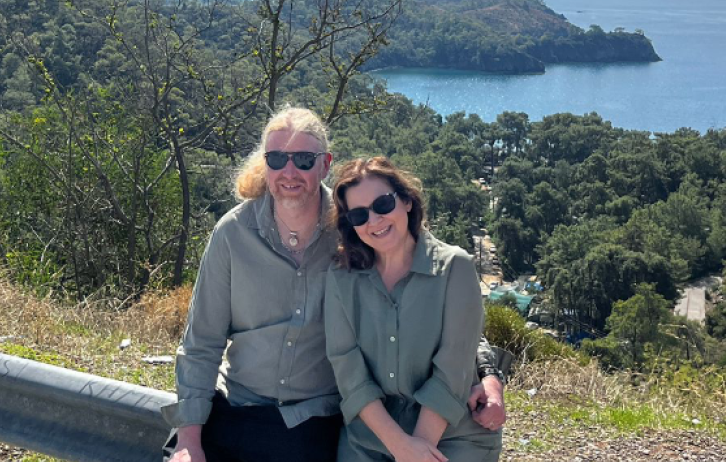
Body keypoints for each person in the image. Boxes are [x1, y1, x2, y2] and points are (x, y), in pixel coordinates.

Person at [164, 108, 505, 462]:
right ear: (266, 164)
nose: (289, 171)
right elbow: (201, 342)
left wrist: (488, 373)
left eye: (304, 160)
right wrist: (189, 439)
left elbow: (437, 294)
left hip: (313, 417)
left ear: (324, 164)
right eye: (277, 158)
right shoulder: (232, 235)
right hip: (238, 402)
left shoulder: (356, 231)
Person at [324, 157, 503, 462]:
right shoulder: (341, 278)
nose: (375, 221)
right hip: (370, 437)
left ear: (406, 201)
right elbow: (348, 370)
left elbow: (453, 370)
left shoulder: (454, 267)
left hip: (452, 434)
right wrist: (400, 446)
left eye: (382, 204)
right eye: (359, 215)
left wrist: (416, 451)